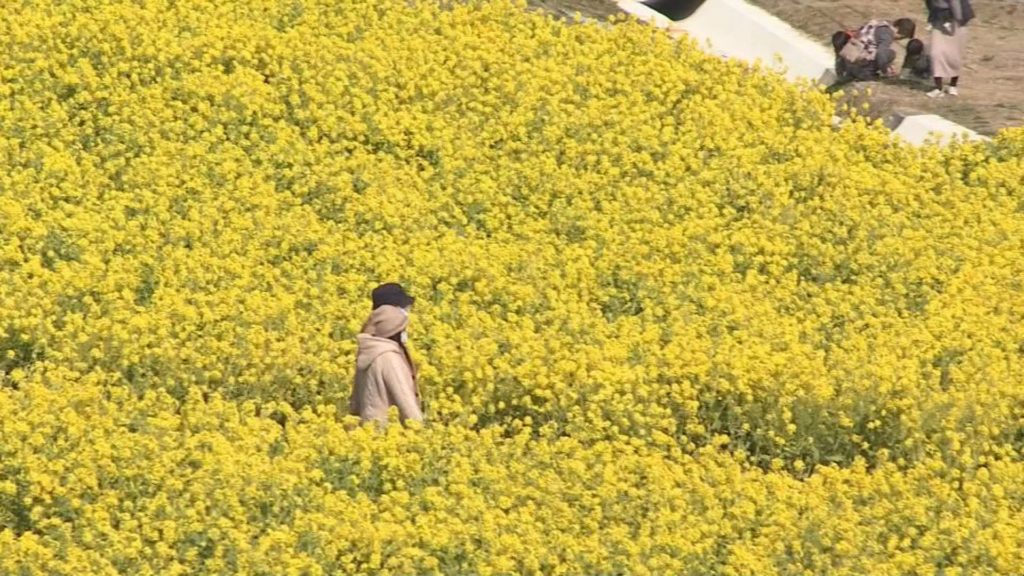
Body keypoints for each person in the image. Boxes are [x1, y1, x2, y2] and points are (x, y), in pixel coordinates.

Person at [349, 304, 423, 424]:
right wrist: (418, 426)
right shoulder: (389, 357)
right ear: (394, 332)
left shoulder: (368, 352)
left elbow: (355, 400)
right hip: (389, 431)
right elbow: (404, 398)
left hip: (369, 429)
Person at [832, 18, 916, 82]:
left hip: (850, 54)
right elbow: (881, 54)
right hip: (860, 63)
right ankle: (865, 73)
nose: (899, 39)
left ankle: (850, 71)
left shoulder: (877, 24)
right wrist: (885, 71)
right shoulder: (887, 35)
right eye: (902, 37)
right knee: (891, 53)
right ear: (898, 30)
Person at [925, 0, 975, 98]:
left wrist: (958, 19)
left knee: (955, 54)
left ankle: (953, 85)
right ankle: (938, 87)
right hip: (939, 18)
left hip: (957, 19)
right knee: (936, 53)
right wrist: (931, 18)